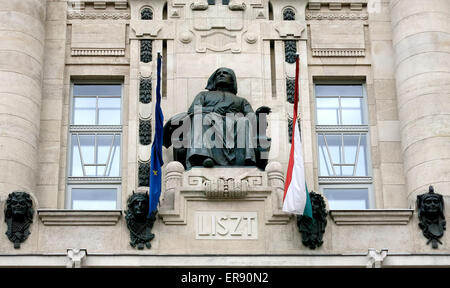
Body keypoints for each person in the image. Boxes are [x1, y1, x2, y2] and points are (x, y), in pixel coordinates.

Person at [164, 67, 271, 169]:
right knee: (199, 117)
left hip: (234, 124)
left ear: (232, 79)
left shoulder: (241, 101)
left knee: (244, 121)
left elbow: (251, 118)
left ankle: (245, 159)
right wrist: (213, 110)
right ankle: (203, 157)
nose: (221, 75)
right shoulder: (203, 95)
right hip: (209, 121)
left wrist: (259, 115)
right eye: (219, 73)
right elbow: (193, 110)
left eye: (225, 73)